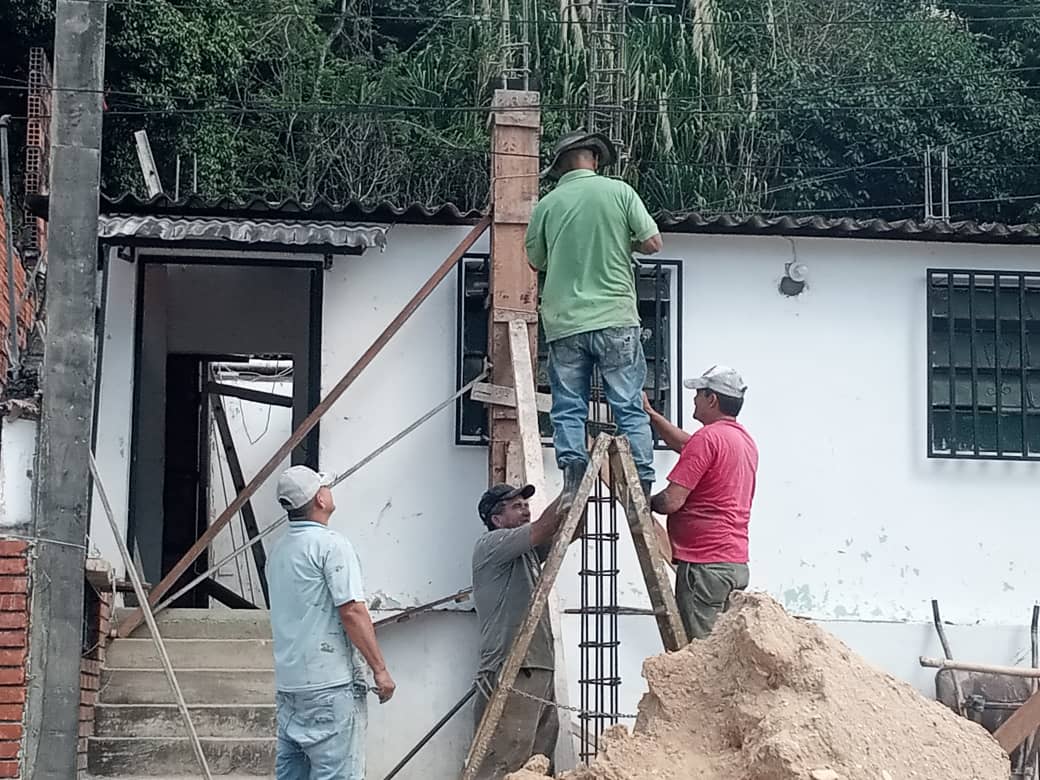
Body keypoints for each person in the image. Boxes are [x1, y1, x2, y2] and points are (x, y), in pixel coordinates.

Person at [525, 129, 664, 512]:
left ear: (561, 167)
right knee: (627, 406)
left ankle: (573, 482)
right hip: (616, 318)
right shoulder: (619, 192)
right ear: (596, 160)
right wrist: (622, 242)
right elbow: (653, 243)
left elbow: (536, 261)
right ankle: (642, 485)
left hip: (565, 323)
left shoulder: (547, 206)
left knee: (568, 406)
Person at [266, 465, 395, 779]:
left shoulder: (279, 551)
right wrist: (379, 669)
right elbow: (351, 611)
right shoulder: (331, 545)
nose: (329, 491)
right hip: (330, 685)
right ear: (319, 500)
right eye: (325, 487)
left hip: (291, 685)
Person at [644, 366, 758, 640]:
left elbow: (672, 501)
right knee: (722, 652)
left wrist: (644, 501)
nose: (694, 399)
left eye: (698, 394)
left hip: (705, 566)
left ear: (712, 399)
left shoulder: (708, 439)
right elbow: (687, 444)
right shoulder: (742, 440)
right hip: (733, 564)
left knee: (701, 654)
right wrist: (652, 416)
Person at [471, 483, 575, 779]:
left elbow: (568, 530)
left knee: (538, 759)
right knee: (505, 756)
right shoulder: (492, 544)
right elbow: (544, 527)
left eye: (526, 504)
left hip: (539, 665)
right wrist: (572, 481)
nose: (526, 509)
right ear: (496, 519)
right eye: (517, 506)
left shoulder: (526, 553)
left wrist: (581, 495)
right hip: (513, 666)